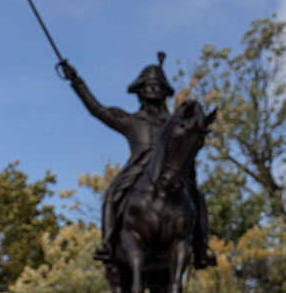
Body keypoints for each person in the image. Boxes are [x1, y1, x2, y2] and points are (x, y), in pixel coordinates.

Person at [59, 53, 216, 269]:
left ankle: (202, 248)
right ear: (140, 93)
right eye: (148, 89)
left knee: (197, 198)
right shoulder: (131, 120)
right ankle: (107, 243)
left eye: (156, 89)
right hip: (139, 169)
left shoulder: (174, 124)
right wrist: (76, 82)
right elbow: (98, 109)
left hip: (173, 170)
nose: (152, 94)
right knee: (113, 194)